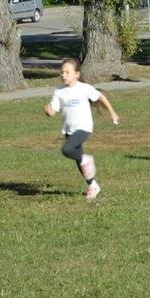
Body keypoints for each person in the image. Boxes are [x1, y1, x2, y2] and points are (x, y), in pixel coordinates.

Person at [44, 58, 119, 200]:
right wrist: (48, 111)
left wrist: (112, 113)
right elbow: (53, 111)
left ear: (77, 74)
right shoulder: (59, 91)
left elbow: (101, 97)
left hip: (84, 127)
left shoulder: (84, 88)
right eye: (62, 72)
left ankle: (85, 159)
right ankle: (93, 185)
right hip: (69, 130)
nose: (63, 75)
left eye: (67, 72)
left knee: (67, 150)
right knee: (80, 161)